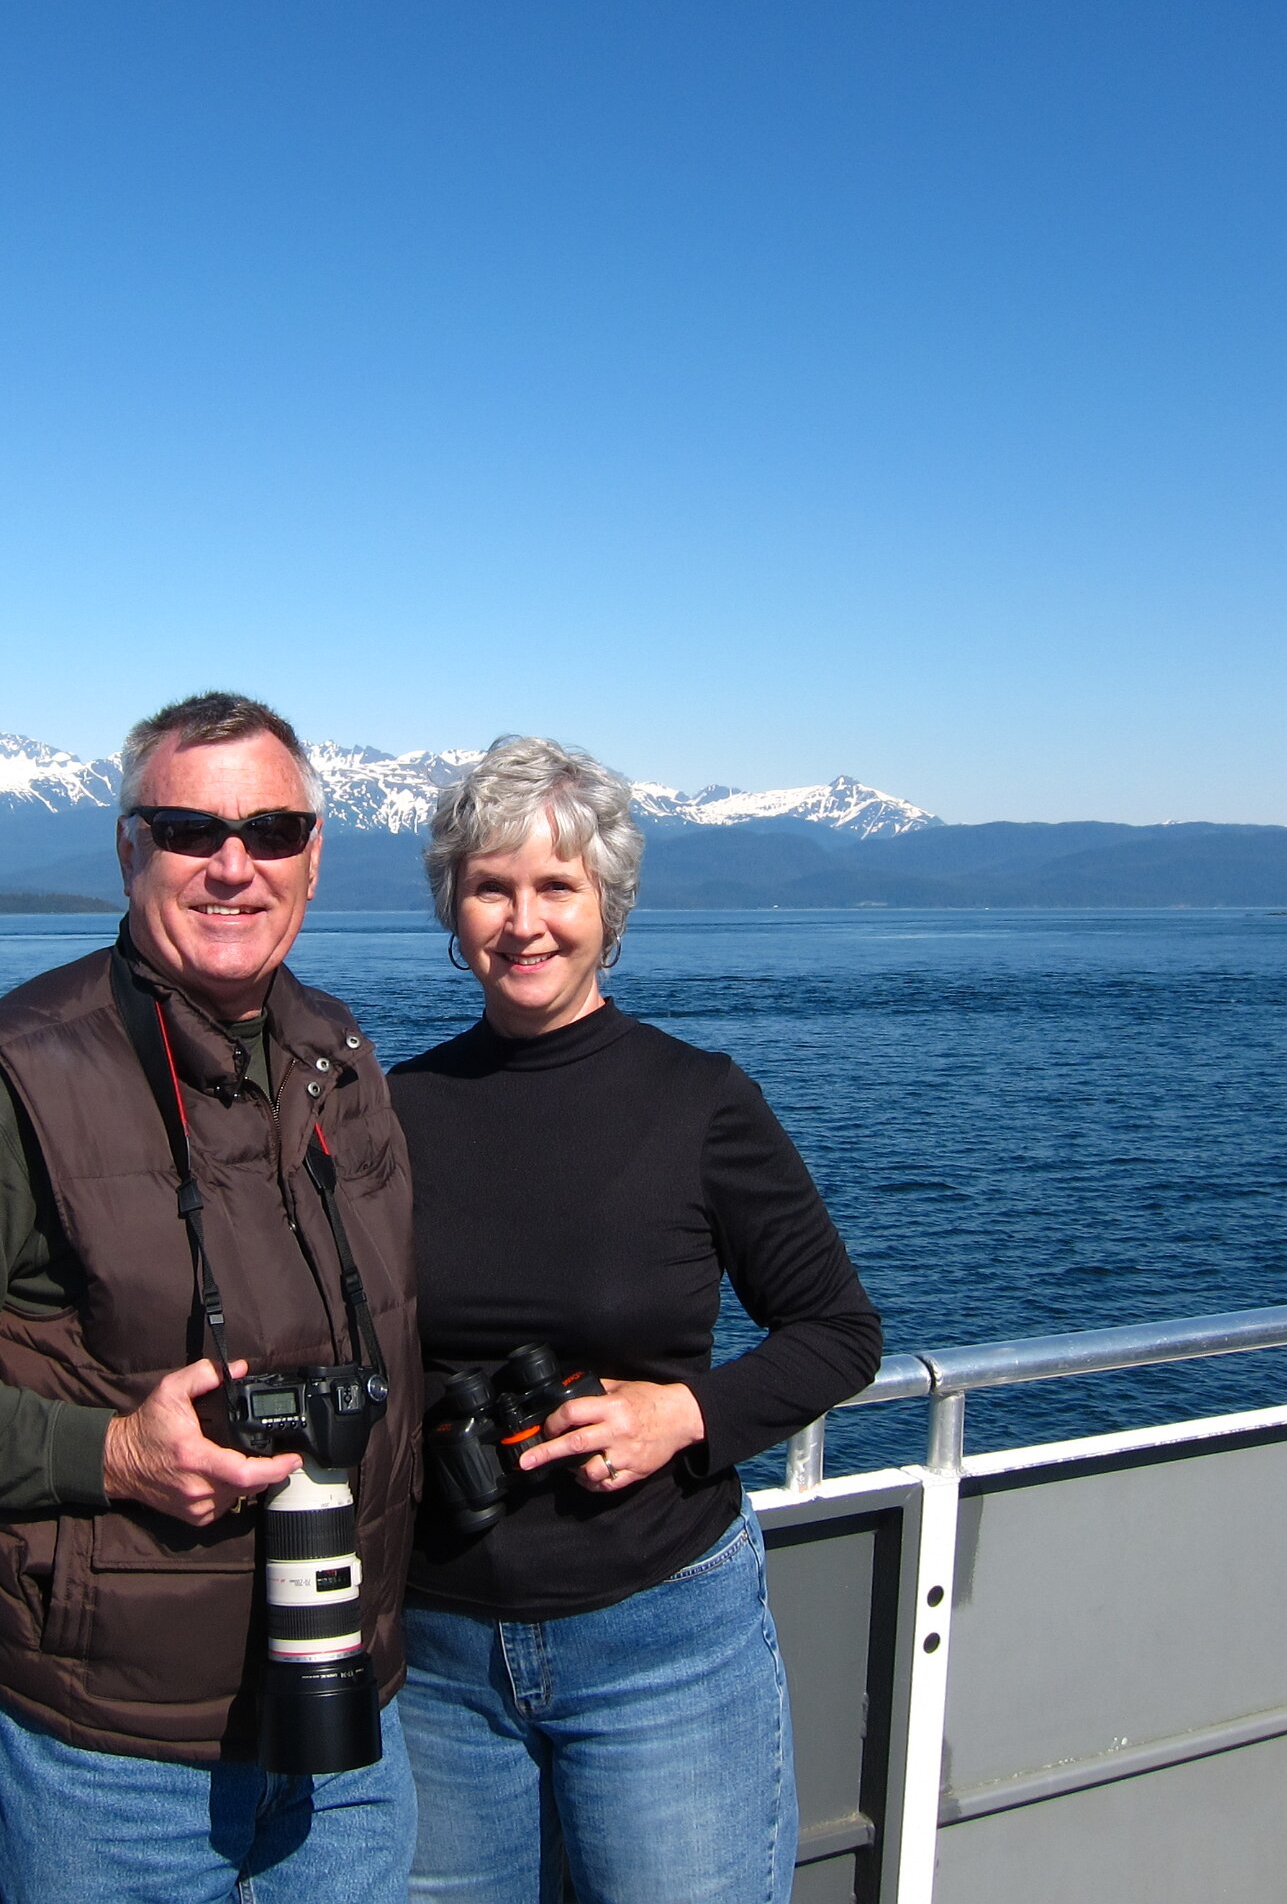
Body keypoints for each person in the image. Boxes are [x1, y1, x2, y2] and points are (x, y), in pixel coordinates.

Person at [0, 692, 421, 1904]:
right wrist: (115, 1453)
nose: (234, 866)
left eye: (273, 831)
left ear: (315, 857)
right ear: (130, 849)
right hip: (108, 1764)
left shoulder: (338, 1055)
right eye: (189, 830)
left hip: (348, 1718)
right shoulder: (7, 1080)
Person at [389, 736, 882, 1904]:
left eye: (556, 886)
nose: (524, 922)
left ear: (608, 908)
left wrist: (682, 1415)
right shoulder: (394, 1110)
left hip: (662, 1641)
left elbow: (837, 1330)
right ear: (453, 908)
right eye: (491, 887)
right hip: (437, 1652)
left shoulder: (697, 1100)